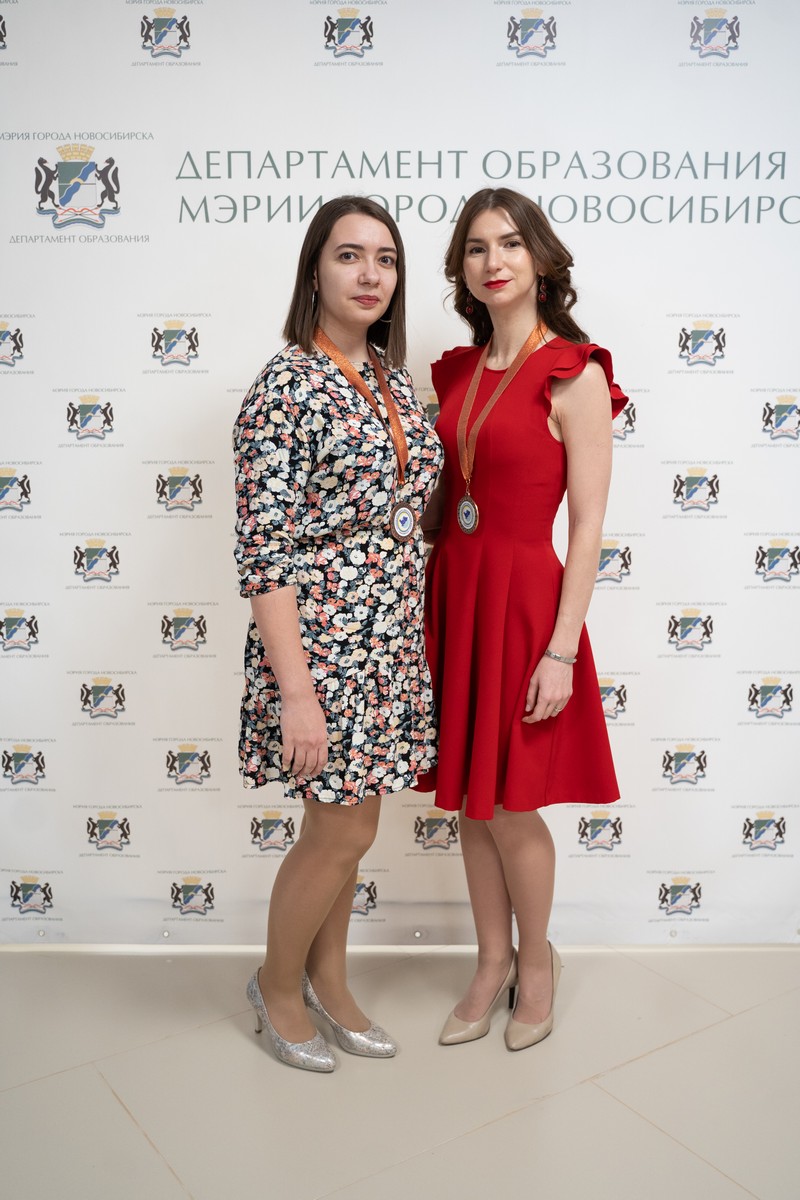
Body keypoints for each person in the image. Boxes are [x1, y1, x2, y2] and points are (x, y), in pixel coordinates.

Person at [233, 196, 443, 1072]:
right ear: (314, 271)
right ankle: (276, 985)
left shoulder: (392, 377)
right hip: (319, 648)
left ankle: (330, 979)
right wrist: (297, 693)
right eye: (349, 255)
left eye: (385, 259)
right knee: (339, 833)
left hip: (386, 640)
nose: (369, 274)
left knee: (355, 828)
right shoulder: (284, 387)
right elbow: (265, 553)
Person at [418, 187, 626, 1051]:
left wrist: (561, 651)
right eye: (476, 248)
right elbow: (445, 497)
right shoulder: (455, 373)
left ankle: (536, 964)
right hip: (457, 592)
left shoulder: (574, 372)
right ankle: (490, 962)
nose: (493, 260)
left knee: (511, 805)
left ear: (540, 259)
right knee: (473, 802)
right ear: (461, 270)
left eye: (509, 243)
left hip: (523, 606)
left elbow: (588, 525)